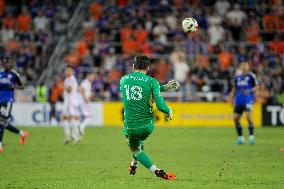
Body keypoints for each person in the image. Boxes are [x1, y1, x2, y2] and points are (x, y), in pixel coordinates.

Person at [120, 55, 180, 180]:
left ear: (133, 66)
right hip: (148, 126)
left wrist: (162, 87)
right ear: (147, 67)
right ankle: (134, 164)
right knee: (139, 141)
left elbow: (139, 88)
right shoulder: (152, 82)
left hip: (130, 125)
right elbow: (160, 105)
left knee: (136, 149)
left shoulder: (123, 80)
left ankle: (155, 170)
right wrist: (169, 111)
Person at [0, 57, 29, 153]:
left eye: (8, 63)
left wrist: (14, 86)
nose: (7, 65)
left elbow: (23, 86)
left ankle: (0, 144)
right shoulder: (0, 74)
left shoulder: (14, 74)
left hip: (8, 100)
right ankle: (22, 133)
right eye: (5, 63)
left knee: (1, 121)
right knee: (3, 123)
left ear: (11, 64)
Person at [230, 62, 258, 145]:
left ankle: (251, 137)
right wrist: (231, 98)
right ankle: (241, 138)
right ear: (241, 67)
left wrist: (250, 91)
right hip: (238, 100)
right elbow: (234, 88)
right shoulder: (237, 77)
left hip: (248, 100)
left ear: (248, 67)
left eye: (246, 65)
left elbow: (257, 87)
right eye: (243, 65)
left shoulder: (251, 76)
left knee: (248, 117)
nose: (244, 67)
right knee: (235, 118)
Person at [61, 67, 81, 144]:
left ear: (71, 71)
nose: (66, 72)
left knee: (69, 118)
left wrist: (63, 86)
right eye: (66, 71)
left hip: (70, 102)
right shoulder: (68, 79)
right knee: (67, 119)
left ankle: (74, 137)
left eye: (68, 71)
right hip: (70, 101)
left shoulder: (71, 79)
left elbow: (69, 90)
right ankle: (70, 137)